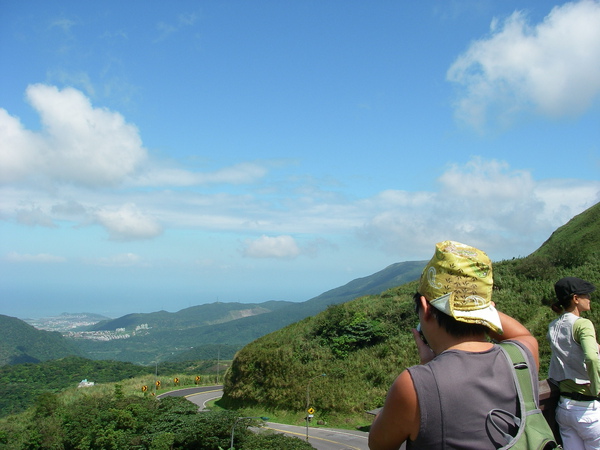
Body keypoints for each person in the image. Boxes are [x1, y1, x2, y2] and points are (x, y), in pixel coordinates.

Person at [368, 240, 539, 450]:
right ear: (489, 310)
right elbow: (522, 333)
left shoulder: (414, 384)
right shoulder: (522, 358)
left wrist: (427, 368)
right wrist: (479, 306)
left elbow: (378, 445)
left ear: (425, 308)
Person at [547, 276, 600, 449]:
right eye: (586, 295)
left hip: (564, 408)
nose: (589, 299)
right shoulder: (583, 324)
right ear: (576, 299)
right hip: (588, 410)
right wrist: (597, 389)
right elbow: (591, 358)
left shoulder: (553, 326)